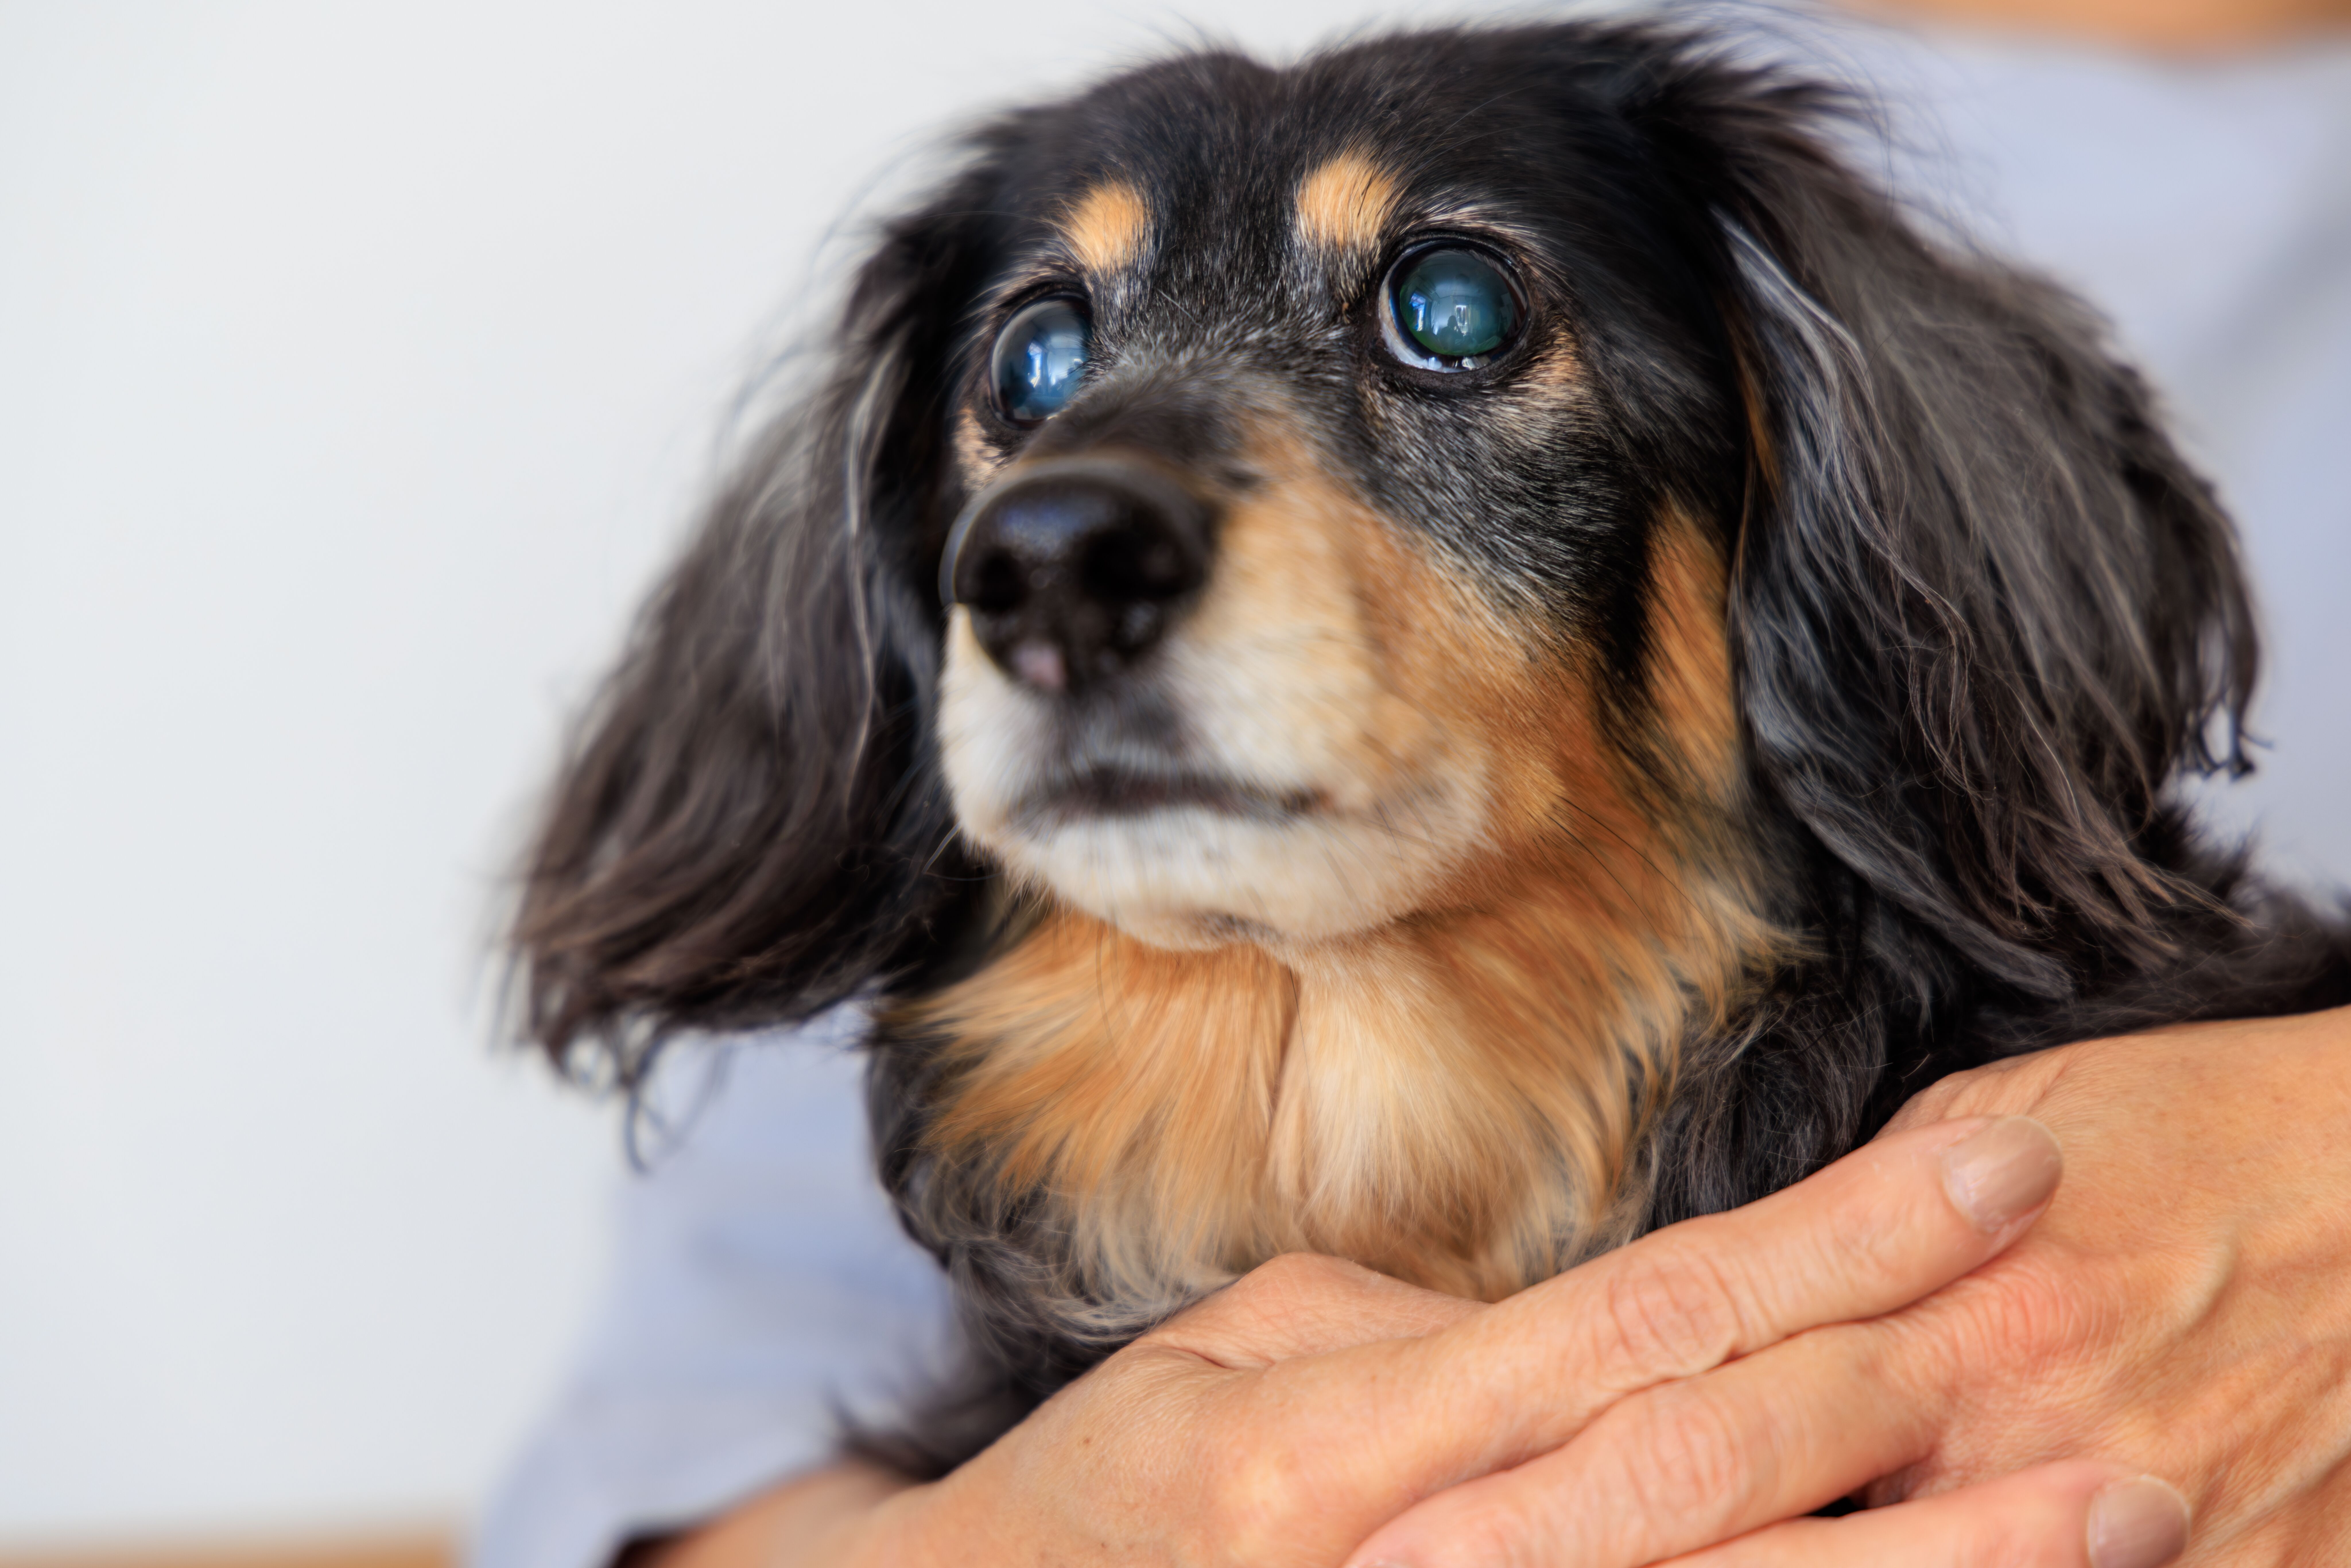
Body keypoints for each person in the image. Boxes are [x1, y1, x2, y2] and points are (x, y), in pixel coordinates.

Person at [475, 2, 2351, 1563]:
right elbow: (683, 1458)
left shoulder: (1715, 216)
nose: (1066, 532)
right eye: (1038, 370)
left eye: (1450, 319)